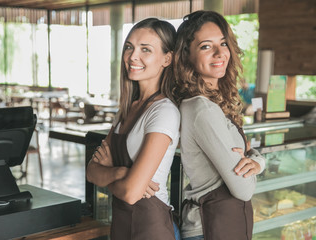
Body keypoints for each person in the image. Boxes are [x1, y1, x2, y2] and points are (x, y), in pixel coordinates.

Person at [173, 11, 266, 240]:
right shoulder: (202, 109)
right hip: (209, 228)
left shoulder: (211, 104)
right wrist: (252, 160)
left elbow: (247, 156)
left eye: (223, 43)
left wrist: (256, 161)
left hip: (217, 226)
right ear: (186, 55)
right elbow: (244, 190)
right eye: (206, 46)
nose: (219, 53)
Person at [86, 18, 180, 240]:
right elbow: (91, 172)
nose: (132, 56)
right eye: (129, 47)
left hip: (151, 229)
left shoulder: (164, 112)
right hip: (120, 226)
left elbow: (130, 193)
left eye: (145, 49)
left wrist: (109, 175)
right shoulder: (126, 109)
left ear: (167, 58)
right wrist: (121, 173)